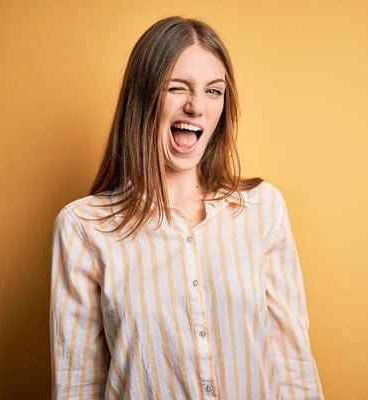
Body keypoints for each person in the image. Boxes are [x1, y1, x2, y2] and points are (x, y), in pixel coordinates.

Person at [50, 16, 324, 399]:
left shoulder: (263, 209)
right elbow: (77, 385)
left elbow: (293, 364)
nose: (197, 107)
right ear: (143, 98)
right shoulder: (84, 227)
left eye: (214, 91)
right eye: (178, 88)